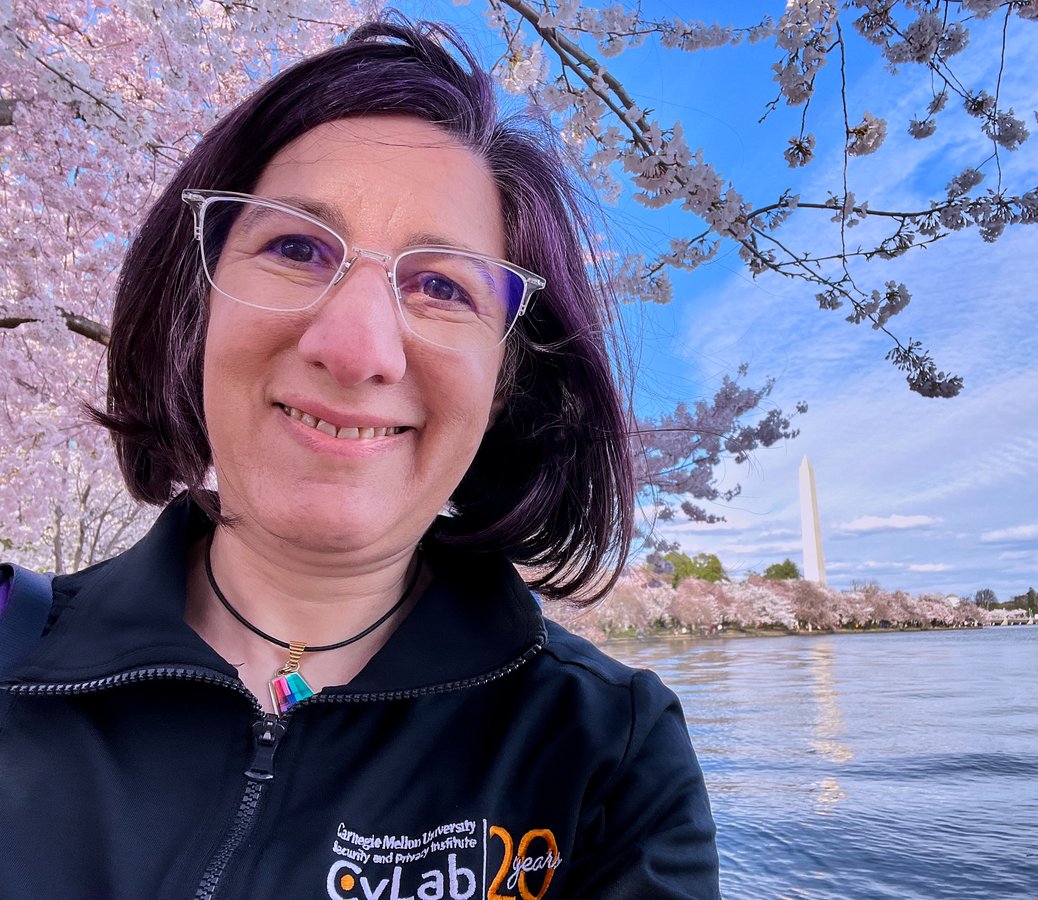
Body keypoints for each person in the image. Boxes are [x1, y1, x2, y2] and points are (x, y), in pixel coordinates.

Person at [0, 17, 720, 899]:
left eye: (442, 286)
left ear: (506, 381)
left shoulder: (604, 759)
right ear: (199, 309)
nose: (357, 347)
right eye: (296, 249)